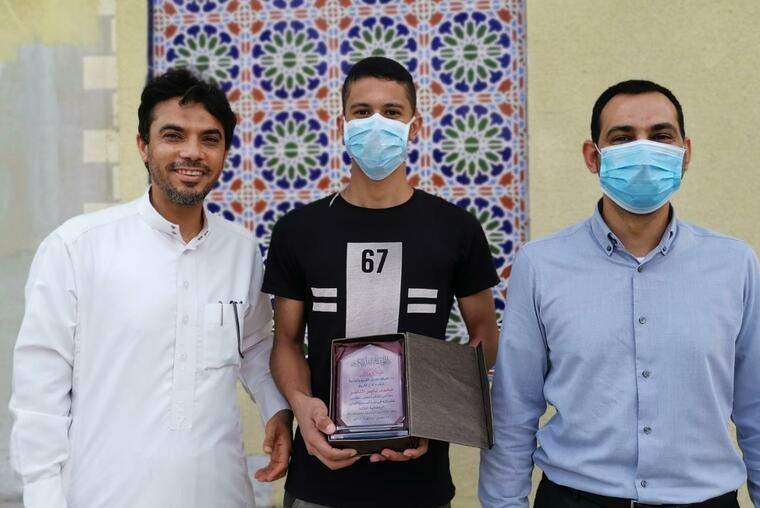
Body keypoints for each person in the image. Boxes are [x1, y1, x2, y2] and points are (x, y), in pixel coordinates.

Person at [9, 68, 292, 508]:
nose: (192, 152)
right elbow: (39, 390)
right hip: (102, 495)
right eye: (173, 136)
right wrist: (43, 494)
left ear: (224, 152)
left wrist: (277, 409)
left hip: (220, 492)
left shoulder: (241, 250)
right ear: (143, 146)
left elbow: (255, 345)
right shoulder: (77, 247)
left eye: (210, 139)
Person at [479, 79, 760, 508]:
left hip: (705, 499)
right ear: (593, 156)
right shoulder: (540, 265)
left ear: (685, 153)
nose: (643, 151)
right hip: (575, 499)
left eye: (661, 136)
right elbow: (513, 410)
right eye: (623, 138)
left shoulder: (735, 264)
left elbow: (756, 406)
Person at [262, 56, 500, 508]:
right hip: (318, 481)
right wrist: (300, 403)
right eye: (362, 111)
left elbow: (486, 335)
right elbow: (286, 341)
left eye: (391, 112)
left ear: (414, 126)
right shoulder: (298, 230)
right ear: (343, 124)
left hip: (420, 485)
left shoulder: (456, 229)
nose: (376, 123)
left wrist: (435, 412)